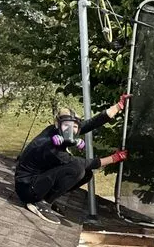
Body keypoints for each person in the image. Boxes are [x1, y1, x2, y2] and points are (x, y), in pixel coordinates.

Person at [15, 95, 130, 224]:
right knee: (78, 169)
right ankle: (42, 203)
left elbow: (90, 124)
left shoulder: (54, 131)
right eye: (66, 125)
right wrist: (114, 158)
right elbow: (81, 163)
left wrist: (118, 106)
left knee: (87, 174)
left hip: (37, 181)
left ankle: (46, 198)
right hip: (27, 189)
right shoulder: (49, 146)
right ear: (57, 124)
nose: (71, 130)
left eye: (74, 126)